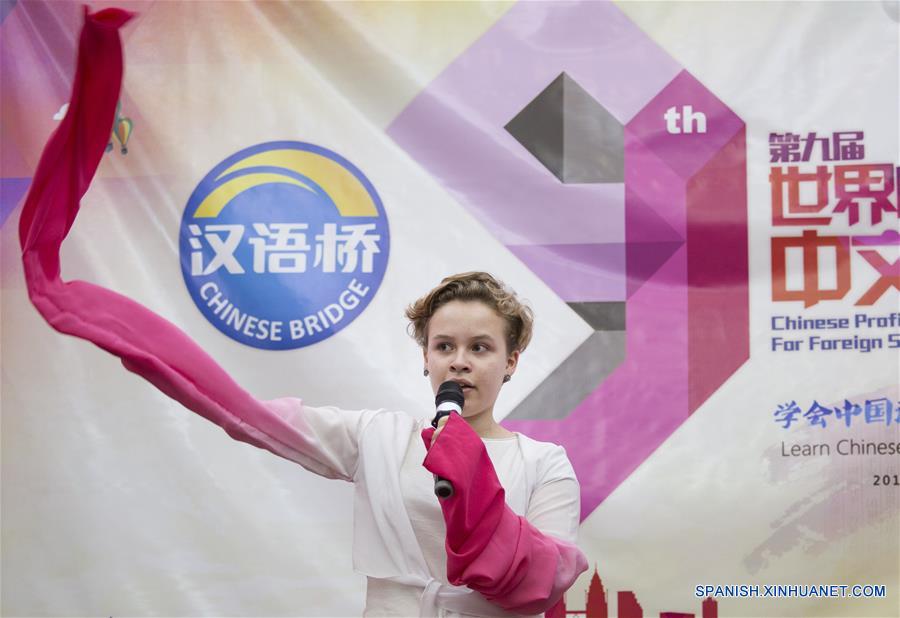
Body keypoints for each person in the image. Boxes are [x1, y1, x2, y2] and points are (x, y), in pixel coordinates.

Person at [18, 8, 588, 617]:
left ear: (511, 362)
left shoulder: (544, 465)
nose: (461, 362)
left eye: (481, 348)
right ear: (424, 358)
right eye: (445, 345)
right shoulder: (380, 438)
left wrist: (473, 481)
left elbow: (547, 580)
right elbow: (248, 417)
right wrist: (141, 346)